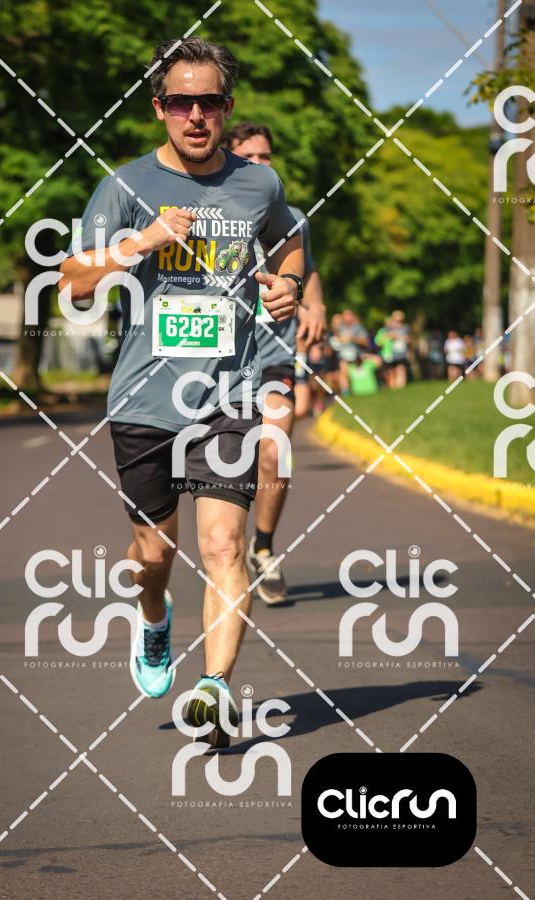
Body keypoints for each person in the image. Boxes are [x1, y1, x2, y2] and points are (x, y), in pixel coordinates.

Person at [60, 38, 304, 748]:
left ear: (227, 107)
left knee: (224, 543)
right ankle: (154, 617)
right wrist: (140, 243)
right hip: (144, 399)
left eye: (210, 102)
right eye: (180, 102)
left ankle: (216, 688)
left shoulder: (259, 184)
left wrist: (288, 284)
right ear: (159, 108)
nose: (196, 116)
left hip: (228, 395)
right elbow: (73, 281)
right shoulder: (124, 185)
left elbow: (291, 239)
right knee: (153, 554)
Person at [222, 122, 326, 606]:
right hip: (220, 358)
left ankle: (262, 547)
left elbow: (308, 268)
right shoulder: (213, 213)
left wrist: (315, 304)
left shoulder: (294, 218)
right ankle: (224, 547)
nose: (261, 165)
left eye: (267, 156)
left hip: (274, 355)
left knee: (275, 449)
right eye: (250, 157)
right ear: (230, 158)